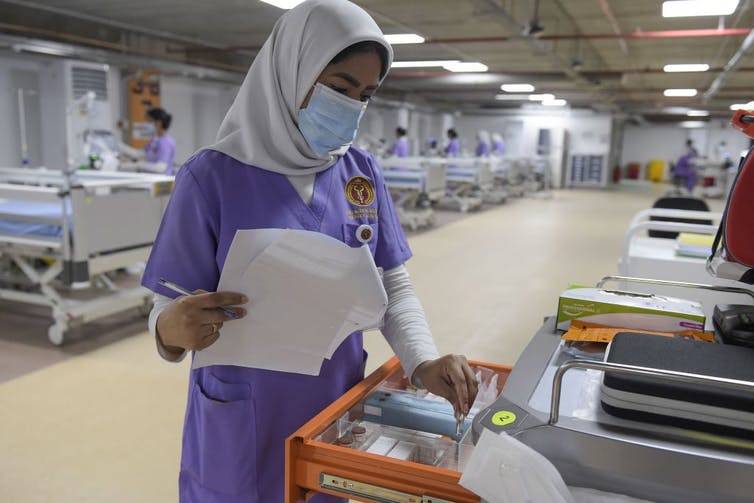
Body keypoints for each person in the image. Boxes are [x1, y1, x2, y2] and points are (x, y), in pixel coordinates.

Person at [140, 1, 478, 501]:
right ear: (289, 73)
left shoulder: (360, 172)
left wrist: (423, 362)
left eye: (365, 95)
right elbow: (165, 310)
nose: (351, 107)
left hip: (332, 402)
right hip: (241, 406)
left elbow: (392, 284)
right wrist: (171, 330)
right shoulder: (211, 176)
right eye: (339, 88)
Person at [143, 107, 177, 174]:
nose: (146, 125)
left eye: (149, 121)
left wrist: (140, 165)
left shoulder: (166, 142)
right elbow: (141, 153)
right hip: (152, 178)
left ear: (158, 122)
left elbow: (160, 168)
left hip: (161, 181)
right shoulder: (155, 140)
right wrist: (120, 146)